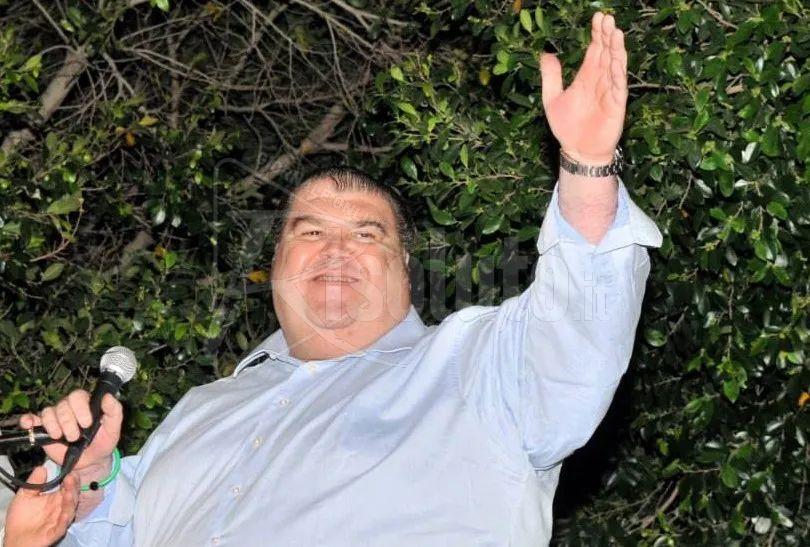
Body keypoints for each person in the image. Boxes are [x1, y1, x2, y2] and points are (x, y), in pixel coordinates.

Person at [4, 12, 661, 546]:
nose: (337, 249)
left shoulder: (479, 369)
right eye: (310, 231)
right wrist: (91, 481)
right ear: (275, 266)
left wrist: (587, 166)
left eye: (367, 234)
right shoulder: (201, 411)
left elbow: (579, 331)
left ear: (406, 269)